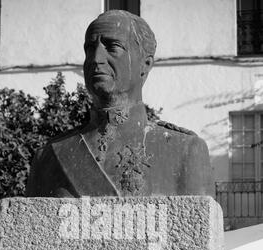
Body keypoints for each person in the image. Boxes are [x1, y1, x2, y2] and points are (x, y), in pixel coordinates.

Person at [26, 10, 214, 198]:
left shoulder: (184, 150)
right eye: (90, 49)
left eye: (113, 47)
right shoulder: (49, 156)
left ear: (145, 64)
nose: (96, 59)